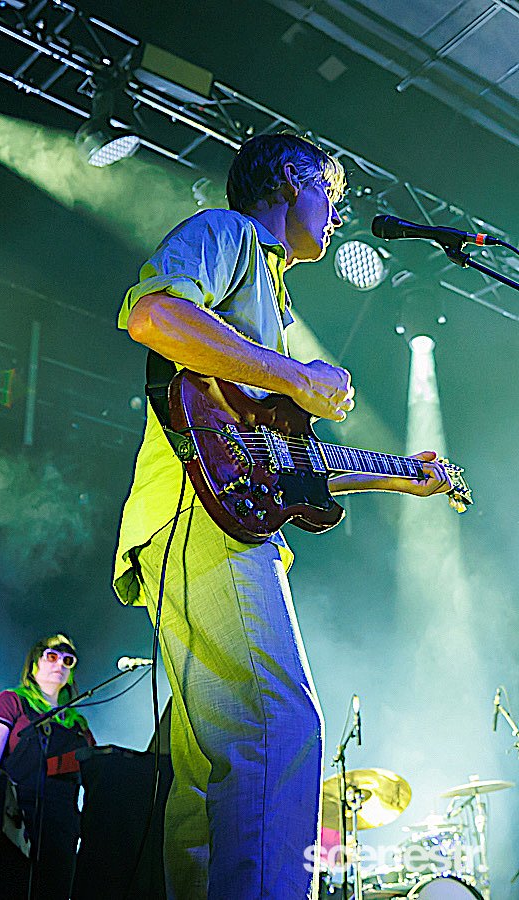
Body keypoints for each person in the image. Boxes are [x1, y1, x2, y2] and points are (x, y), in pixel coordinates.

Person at [113, 132, 451, 900]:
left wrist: (404, 478)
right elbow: (155, 316)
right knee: (281, 731)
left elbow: (283, 463)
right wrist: (295, 376)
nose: (337, 213)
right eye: (329, 192)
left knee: (209, 779)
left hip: (190, 525)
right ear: (290, 178)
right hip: (206, 522)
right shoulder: (229, 234)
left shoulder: (273, 297)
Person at [0, 633, 95, 899]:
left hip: (60, 835)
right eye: (52, 656)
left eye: (68, 660)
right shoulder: (11, 702)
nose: (60, 664)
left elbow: (96, 776)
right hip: (13, 828)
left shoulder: (79, 726)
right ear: (34, 664)